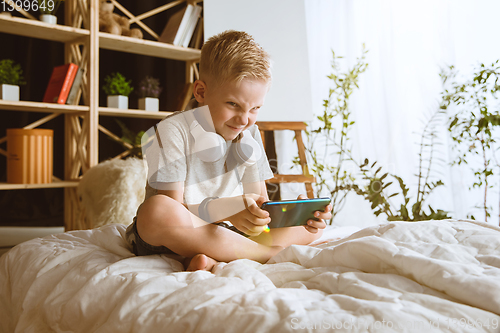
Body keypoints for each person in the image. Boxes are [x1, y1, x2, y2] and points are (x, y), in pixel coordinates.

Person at [125, 30, 332, 271]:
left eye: (255, 108)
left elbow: (259, 207)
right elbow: (174, 209)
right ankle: (264, 255)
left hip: (229, 233)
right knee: (156, 210)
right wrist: (227, 211)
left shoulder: (249, 134)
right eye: (233, 104)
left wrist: (290, 215)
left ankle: (212, 257)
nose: (244, 119)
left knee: (310, 231)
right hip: (176, 233)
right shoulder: (172, 130)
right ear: (201, 92)